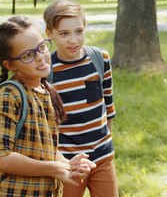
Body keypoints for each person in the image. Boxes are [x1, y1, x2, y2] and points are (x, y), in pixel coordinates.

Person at [0, 16, 96, 196]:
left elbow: (45, 150)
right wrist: (54, 169)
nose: (40, 57)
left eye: (42, 47)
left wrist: (67, 164)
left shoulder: (45, 90)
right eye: (28, 55)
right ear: (10, 65)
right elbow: (2, 157)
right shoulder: (9, 95)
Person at [43, 0, 118, 197]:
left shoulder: (100, 58)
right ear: (49, 33)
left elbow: (108, 106)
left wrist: (105, 144)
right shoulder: (46, 70)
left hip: (102, 156)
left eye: (79, 31)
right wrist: (62, 162)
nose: (73, 40)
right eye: (64, 33)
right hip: (68, 161)